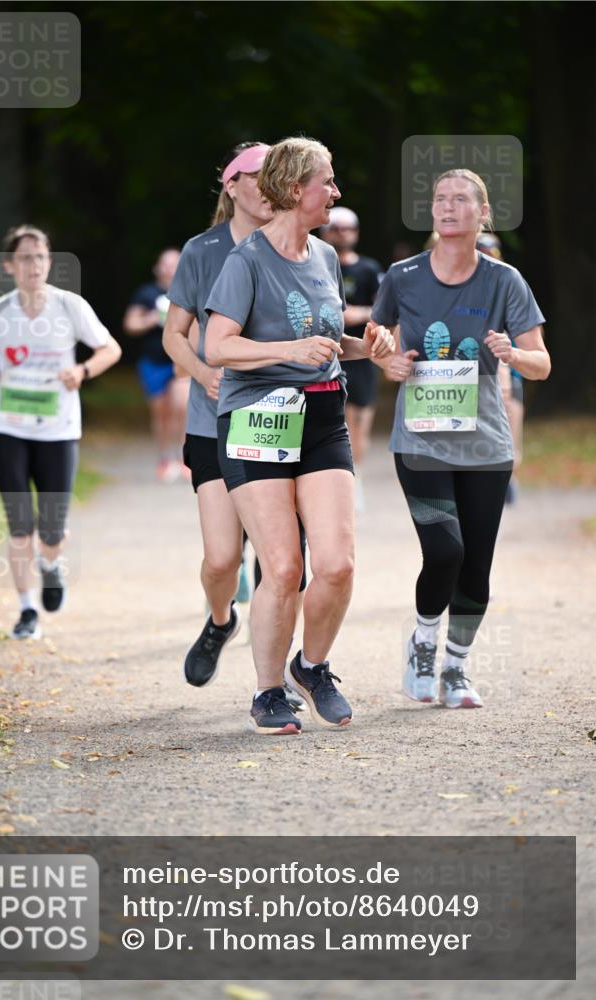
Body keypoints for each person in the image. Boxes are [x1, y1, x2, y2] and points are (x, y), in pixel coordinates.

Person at [205, 136, 394, 735]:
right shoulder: (245, 260)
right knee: (284, 568)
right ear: (294, 190)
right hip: (257, 420)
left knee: (336, 564)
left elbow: (328, 340)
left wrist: (373, 349)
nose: (335, 194)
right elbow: (217, 346)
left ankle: (311, 667)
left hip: (321, 418)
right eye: (328, 183)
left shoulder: (325, 257)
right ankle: (267, 694)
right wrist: (288, 349)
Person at [374, 169, 550, 708]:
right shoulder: (402, 277)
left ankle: (456, 668)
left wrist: (512, 354)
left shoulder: (505, 280)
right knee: (445, 549)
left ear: (482, 214)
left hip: (485, 445)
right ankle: (423, 641)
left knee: (476, 563)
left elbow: (541, 363)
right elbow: (380, 347)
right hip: (421, 441)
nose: (448, 208)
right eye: (440, 200)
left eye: (461, 200)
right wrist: (391, 364)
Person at [163, 142, 308, 704]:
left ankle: (273, 683)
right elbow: (174, 333)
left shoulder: (299, 245)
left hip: (283, 420)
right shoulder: (202, 251)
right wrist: (201, 373)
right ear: (232, 185)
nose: (268, 183)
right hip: (214, 420)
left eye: (276, 173)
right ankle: (221, 619)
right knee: (223, 558)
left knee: (282, 563)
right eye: (256, 174)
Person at [0, 224, 121, 639]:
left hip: (59, 429)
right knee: (20, 525)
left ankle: (50, 564)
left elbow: (110, 349)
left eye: (41, 257)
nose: (35, 265)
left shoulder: (68, 306)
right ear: (9, 266)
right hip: (7, 427)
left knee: (52, 529)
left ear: (49, 263)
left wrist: (81, 371)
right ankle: (26, 610)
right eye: (26, 257)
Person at [322, 206, 384, 511]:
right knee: (342, 422)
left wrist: (353, 315)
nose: (341, 233)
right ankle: (343, 481)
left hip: (363, 354)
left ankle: (356, 477)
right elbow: (328, 315)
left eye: (347, 228)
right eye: (335, 228)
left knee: (362, 421)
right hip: (330, 355)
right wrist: (357, 313)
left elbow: (384, 309)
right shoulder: (318, 264)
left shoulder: (369, 269)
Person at [123, 248, 189, 482]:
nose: (170, 269)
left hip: (180, 360)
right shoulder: (146, 293)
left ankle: (183, 459)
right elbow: (130, 324)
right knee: (162, 413)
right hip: (153, 361)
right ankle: (164, 458)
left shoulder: (189, 291)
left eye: (175, 264)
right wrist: (152, 319)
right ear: (157, 268)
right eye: (166, 264)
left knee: (182, 407)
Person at [476, 233, 525, 504]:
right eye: (482, 251)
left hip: (509, 374)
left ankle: (509, 476)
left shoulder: (510, 286)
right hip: (475, 377)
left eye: (492, 253)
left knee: (512, 428)